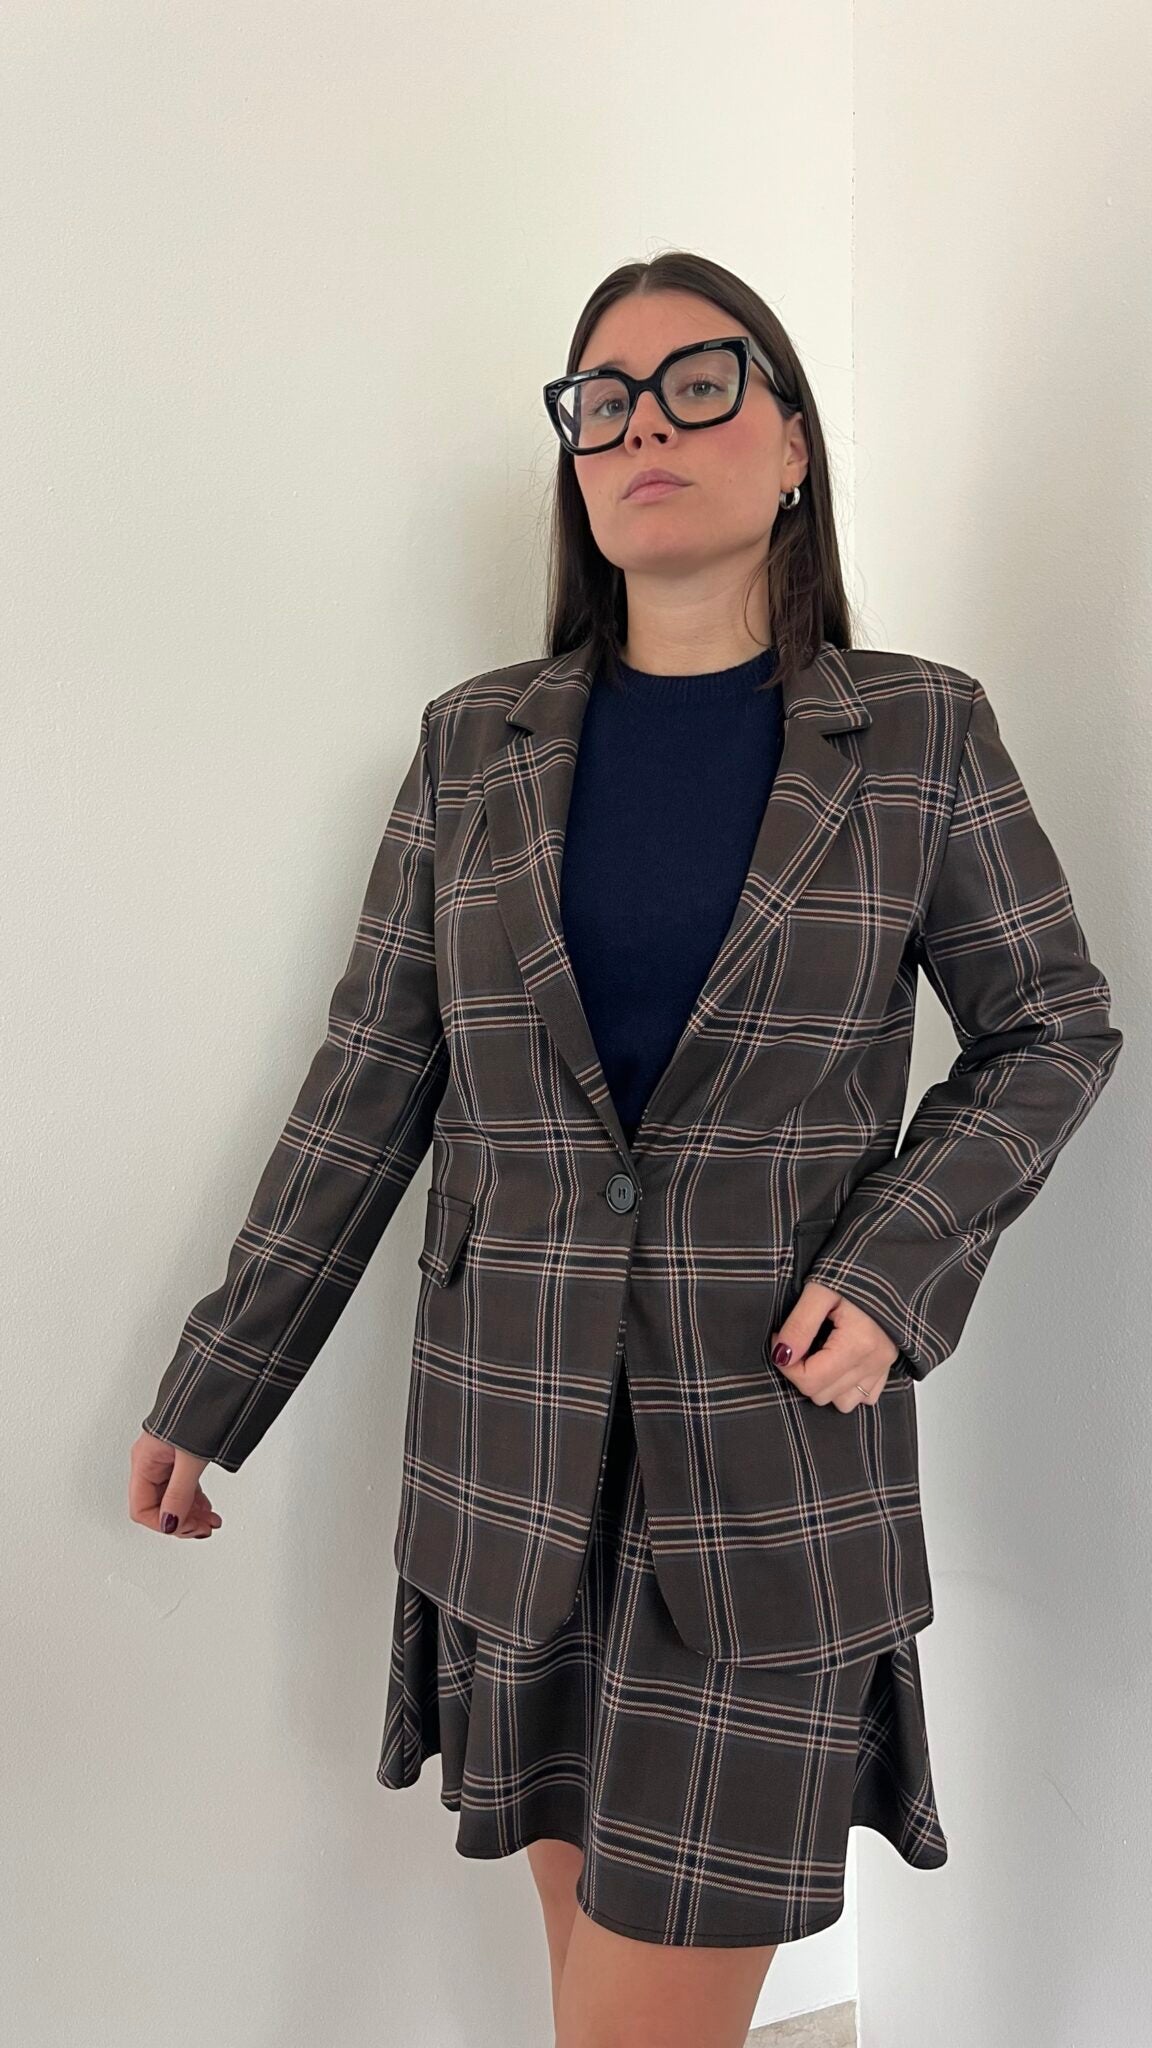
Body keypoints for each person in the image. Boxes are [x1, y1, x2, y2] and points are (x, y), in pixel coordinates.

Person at [129, 249, 1123, 2048]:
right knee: (589, 1973)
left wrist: (898, 1269)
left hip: (766, 1470)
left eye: (698, 383)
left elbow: (1052, 1023)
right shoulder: (472, 751)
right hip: (508, 1472)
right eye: (604, 401)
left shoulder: (917, 734)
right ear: (575, 463)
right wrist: (221, 1382)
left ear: (793, 444)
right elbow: (368, 1086)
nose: (644, 425)